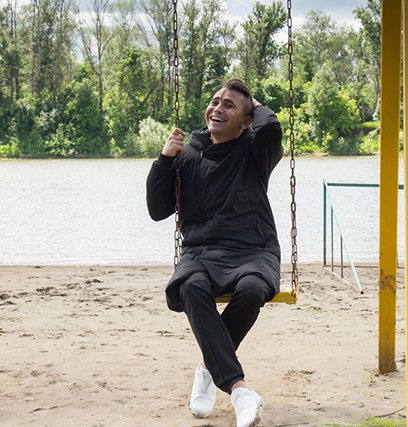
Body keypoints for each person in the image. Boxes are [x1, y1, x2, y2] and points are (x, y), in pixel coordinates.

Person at [146, 78, 282, 427]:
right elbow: (157, 209)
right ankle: (239, 390)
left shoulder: (256, 150)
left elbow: (271, 126)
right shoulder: (188, 152)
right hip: (201, 251)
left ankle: (208, 369)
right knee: (190, 286)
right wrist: (164, 159)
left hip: (253, 248)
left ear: (246, 120)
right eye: (215, 101)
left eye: (229, 105)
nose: (217, 108)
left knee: (252, 289)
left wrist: (252, 103)